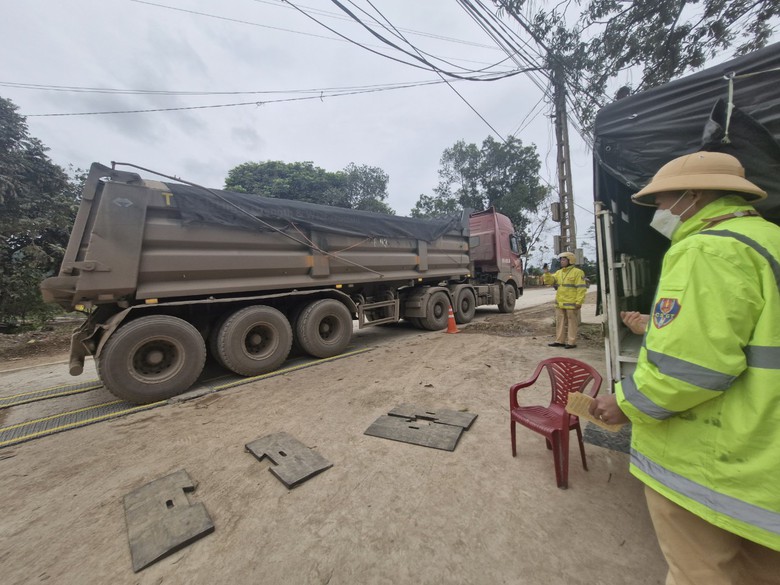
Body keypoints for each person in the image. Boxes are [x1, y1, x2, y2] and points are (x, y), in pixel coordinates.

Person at [589, 151, 780, 584]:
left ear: (691, 196)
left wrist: (624, 403)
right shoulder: (768, 239)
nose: (657, 213)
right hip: (762, 463)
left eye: (660, 202)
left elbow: (687, 369)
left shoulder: (707, 250)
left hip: (714, 461)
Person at [547, 251, 587, 349]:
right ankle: (559, 341)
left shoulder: (578, 272)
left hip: (572, 303)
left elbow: (581, 288)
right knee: (560, 322)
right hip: (560, 303)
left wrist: (579, 302)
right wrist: (546, 274)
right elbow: (550, 281)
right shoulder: (559, 272)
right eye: (561, 260)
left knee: (572, 323)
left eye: (564, 260)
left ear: (570, 261)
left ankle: (571, 342)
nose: (562, 262)